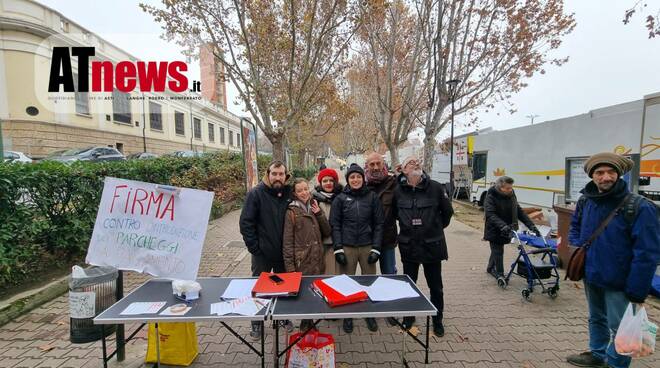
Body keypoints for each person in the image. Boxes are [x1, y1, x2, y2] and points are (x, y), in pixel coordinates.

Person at [566, 153, 660, 368]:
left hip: (620, 282)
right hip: (592, 275)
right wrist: (577, 247)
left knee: (621, 327)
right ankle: (598, 355)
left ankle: (616, 364)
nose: (606, 177)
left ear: (619, 175)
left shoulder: (639, 206)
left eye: (611, 172)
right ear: (592, 176)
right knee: (596, 318)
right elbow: (575, 227)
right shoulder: (585, 200)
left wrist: (638, 290)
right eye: (600, 172)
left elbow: (647, 253)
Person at [392, 155, 453, 337]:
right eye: (410, 162)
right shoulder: (398, 191)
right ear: (403, 170)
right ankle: (409, 317)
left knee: (436, 286)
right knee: (409, 285)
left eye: (418, 161)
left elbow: (447, 213)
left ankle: (437, 319)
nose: (416, 163)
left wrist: (433, 228)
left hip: (432, 246)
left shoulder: (435, 187)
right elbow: (396, 214)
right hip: (409, 246)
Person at [239, 160, 294, 339]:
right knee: (258, 289)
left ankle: (282, 318)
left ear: (286, 176)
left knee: (283, 288)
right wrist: (255, 248)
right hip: (262, 254)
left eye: (281, 174)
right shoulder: (256, 193)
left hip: (282, 253)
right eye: (274, 174)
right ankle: (256, 323)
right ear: (268, 174)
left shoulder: (289, 192)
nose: (278, 177)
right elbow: (246, 223)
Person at [330, 163, 384, 333]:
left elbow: (379, 224)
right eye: (352, 177)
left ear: (363, 178)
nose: (355, 179)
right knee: (347, 283)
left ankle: (369, 314)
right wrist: (338, 248)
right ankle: (348, 315)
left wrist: (376, 248)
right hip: (347, 246)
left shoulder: (372, 197)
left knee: (369, 282)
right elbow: (335, 224)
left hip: (367, 245)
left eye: (358, 176)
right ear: (347, 180)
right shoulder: (340, 198)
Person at [283, 178, 331, 331]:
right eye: (300, 190)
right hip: (302, 261)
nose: (304, 193)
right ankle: (306, 323)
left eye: (305, 189)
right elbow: (287, 243)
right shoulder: (291, 212)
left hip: (317, 258)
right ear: (295, 194)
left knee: (314, 291)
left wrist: (319, 214)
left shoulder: (315, 206)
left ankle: (310, 323)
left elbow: (327, 231)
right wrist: (290, 270)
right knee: (304, 293)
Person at [483, 176, 541, 279]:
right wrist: (503, 226)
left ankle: (490, 267)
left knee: (497, 249)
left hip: (508, 228)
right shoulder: (491, 195)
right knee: (498, 250)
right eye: (508, 188)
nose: (510, 190)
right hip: (495, 228)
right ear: (500, 187)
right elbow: (490, 214)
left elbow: (519, 211)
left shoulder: (511, 194)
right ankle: (500, 274)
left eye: (511, 188)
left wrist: (531, 226)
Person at [312, 168, 343, 275]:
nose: (328, 183)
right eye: (325, 181)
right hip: (322, 244)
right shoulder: (314, 200)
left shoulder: (342, 198)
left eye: (331, 180)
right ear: (320, 183)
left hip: (339, 244)